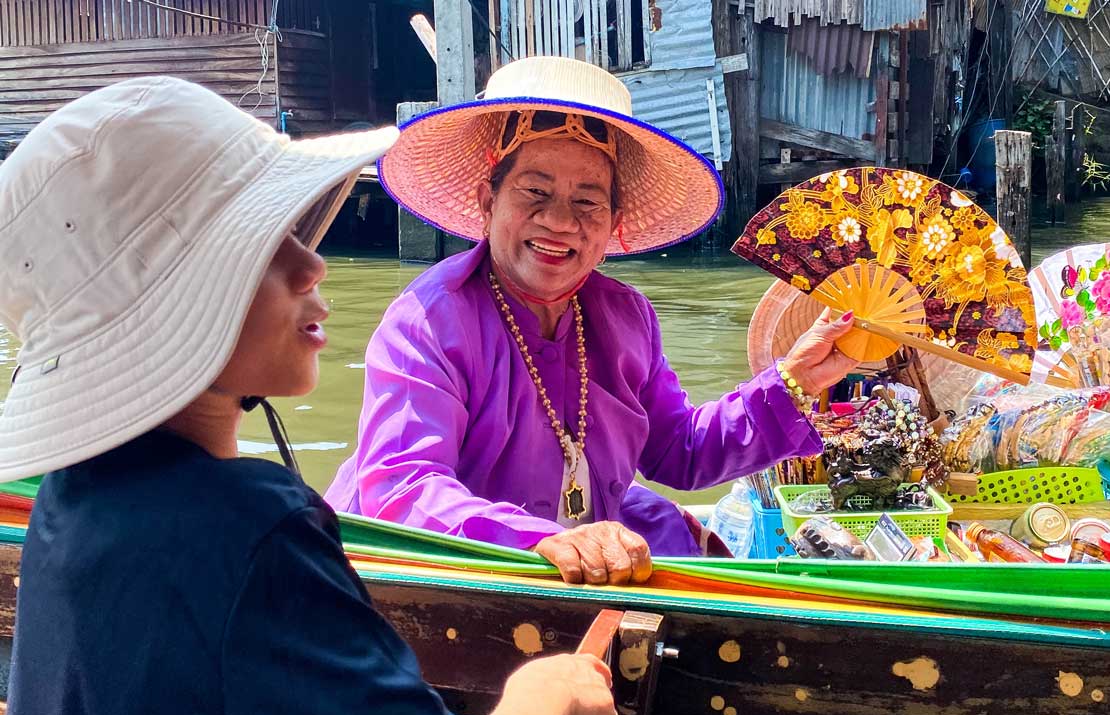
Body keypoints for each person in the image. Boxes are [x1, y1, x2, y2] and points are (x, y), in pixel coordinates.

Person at [0, 77, 619, 715]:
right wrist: (542, 691)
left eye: (292, 233)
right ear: (166, 306)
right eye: (262, 247)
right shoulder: (255, 529)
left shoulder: (68, 500)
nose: (312, 263)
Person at [325, 56, 856, 585]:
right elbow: (402, 487)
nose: (559, 222)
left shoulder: (625, 317)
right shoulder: (429, 321)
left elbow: (680, 452)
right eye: (535, 192)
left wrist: (797, 379)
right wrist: (540, 539)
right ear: (488, 202)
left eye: (587, 201)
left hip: (588, 562)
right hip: (453, 577)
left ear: (613, 225)